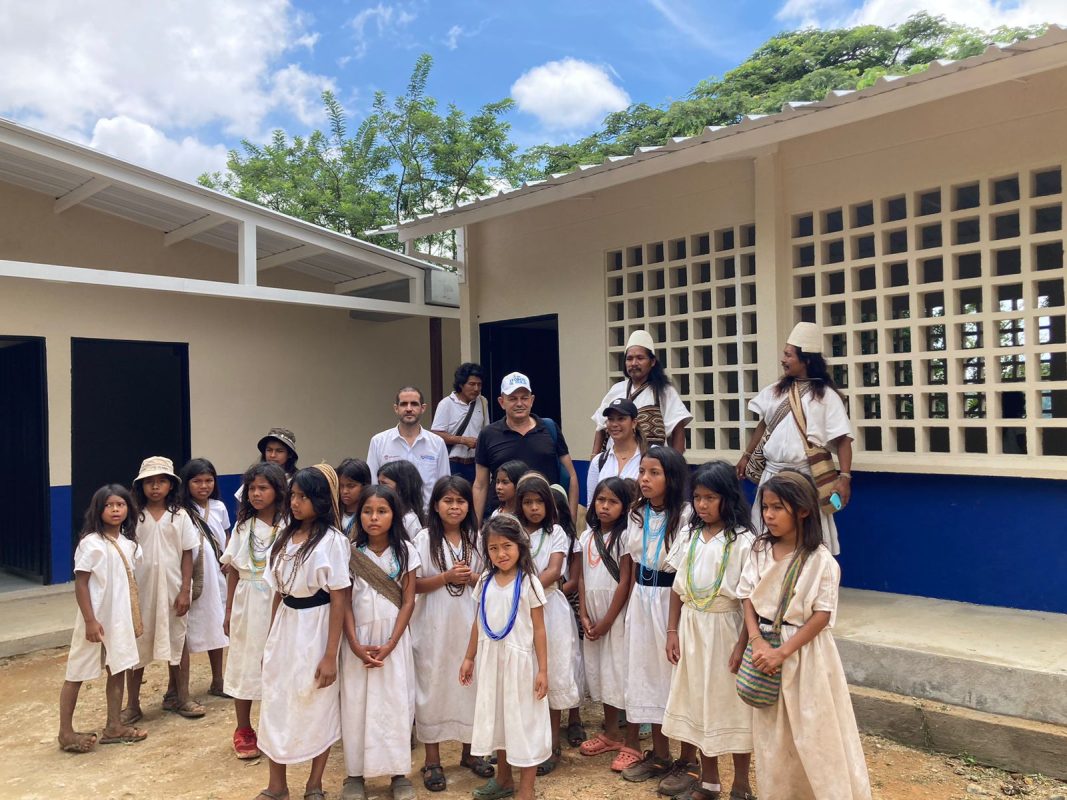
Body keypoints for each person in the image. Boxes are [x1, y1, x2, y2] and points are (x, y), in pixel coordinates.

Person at [738, 470, 872, 800]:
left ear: (802, 510)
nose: (768, 515)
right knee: (774, 740)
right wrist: (757, 641)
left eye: (777, 508)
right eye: (766, 507)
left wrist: (782, 653)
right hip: (765, 652)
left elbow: (822, 614)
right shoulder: (758, 550)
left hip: (805, 658)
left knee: (815, 735)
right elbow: (747, 596)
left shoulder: (820, 560)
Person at [663, 461, 756, 800]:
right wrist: (672, 631)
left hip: (726, 628)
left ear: (728, 498)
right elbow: (677, 587)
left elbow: (750, 599)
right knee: (698, 702)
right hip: (692, 627)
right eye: (698, 497)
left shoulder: (745, 541)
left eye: (710, 497)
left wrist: (744, 644)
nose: (702, 505)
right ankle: (709, 781)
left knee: (729, 705)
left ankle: (742, 785)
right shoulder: (690, 534)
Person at [257, 465, 351, 800]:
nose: (296, 503)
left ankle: (314, 784)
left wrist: (330, 654)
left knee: (315, 702)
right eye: (293, 495)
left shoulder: (333, 541)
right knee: (276, 702)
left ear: (321, 501)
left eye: (304, 497)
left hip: (317, 624)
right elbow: (275, 594)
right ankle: (277, 785)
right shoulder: (283, 536)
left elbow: (340, 598)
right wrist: (270, 640)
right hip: (286, 624)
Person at [618, 446, 701, 797]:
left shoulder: (685, 515)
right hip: (642, 597)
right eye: (642, 472)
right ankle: (660, 754)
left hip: (670, 600)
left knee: (675, 677)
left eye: (654, 473)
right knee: (646, 673)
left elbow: (682, 567)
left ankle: (689, 759)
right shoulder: (636, 513)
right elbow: (635, 561)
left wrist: (673, 623)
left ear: (671, 477)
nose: (645, 479)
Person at [736, 322, 854, 555]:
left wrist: (845, 477)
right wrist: (746, 456)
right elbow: (763, 426)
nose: (783, 359)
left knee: (807, 538)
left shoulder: (827, 397)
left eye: (788, 355)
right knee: (766, 537)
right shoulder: (774, 391)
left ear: (806, 359)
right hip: (771, 475)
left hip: (806, 479)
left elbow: (843, 440)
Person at [411, 476, 493, 792]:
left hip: (469, 624)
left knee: (470, 685)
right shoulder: (422, 539)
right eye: (448, 501)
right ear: (435, 505)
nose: (455, 507)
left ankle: (470, 753)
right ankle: (432, 760)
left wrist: (472, 578)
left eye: (460, 501)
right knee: (432, 686)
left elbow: (490, 581)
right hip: (432, 625)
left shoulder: (477, 537)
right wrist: (445, 577)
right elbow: (413, 584)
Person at [460, 514, 551, 800]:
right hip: (491, 663)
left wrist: (543, 670)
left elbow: (539, 629)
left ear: (521, 547)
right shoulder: (485, 580)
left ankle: (527, 789)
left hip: (520, 666)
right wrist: (469, 657)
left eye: (507, 546)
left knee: (523, 723)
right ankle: (503, 779)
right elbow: (478, 622)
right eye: (493, 548)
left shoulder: (529, 583)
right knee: (499, 718)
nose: (501, 553)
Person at [340, 485, 420, 800]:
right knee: (356, 704)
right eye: (368, 511)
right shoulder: (348, 552)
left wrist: (391, 643)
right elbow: (343, 602)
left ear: (394, 515)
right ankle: (354, 775)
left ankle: (399, 773)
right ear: (359, 515)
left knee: (396, 703)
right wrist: (355, 643)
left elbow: (409, 602)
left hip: (394, 640)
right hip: (357, 639)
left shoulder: (406, 551)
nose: (374, 518)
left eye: (382, 511)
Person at [59, 484, 146, 753]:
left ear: (128, 509)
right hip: (94, 619)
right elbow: (82, 583)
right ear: (99, 510)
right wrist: (89, 620)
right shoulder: (91, 543)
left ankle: (114, 726)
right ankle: (65, 732)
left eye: (120, 505)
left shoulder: (130, 545)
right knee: (77, 671)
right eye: (109, 505)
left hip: (119, 620)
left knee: (118, 668)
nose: (115, 510)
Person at [123, 456, 201, 724]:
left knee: (178, 641)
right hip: (141, 592)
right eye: (150, 482)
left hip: (172, 589)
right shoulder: (133, 516)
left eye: (161, 481)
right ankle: (132, 704)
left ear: (171, 485)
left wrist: (185, 590)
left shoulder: (179, 516)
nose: (155, 487)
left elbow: (188, 555)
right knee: (137, 645)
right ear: (141, 486)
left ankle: (183, 696)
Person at [515, 473, 581, 776]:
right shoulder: (512, 530)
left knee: (550, 675)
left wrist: (520, 591)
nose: (533, 508)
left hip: (548, 607)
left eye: (539, 501)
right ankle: (524, 743)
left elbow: (554, 571)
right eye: (527, 502)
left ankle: (552, 745)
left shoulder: (556, 532)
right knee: (524, 677)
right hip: (517, 612)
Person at [221, 462, 287, 760]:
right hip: (247, 601)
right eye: (252, 489)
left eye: (263, 488)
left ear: (278, 491)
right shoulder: (243, 527)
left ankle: (279, 727)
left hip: (280, 601)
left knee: (278, 664)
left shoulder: (288, 527)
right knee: (245, 661)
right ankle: (244, 728)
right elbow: (234, 569)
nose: (256, 494)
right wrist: (229, 608)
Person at [577, 477, 634, 761]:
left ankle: (629, 733)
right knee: (600, 673)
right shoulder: (586, 537)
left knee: (618, 672)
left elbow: (625, 582)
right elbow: (582, 579)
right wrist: (584, 614)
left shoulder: (625, 537)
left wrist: (608, 621)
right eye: (601, 500)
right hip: (594, 616)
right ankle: (610, 731)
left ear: (624, 507)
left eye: (613, 501)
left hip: (616, 615)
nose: (605, 507)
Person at [473, 372, 579, 523]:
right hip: (504, 521)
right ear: (501, 402)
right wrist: (476, 527)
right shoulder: (488, 434)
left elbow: (572, 476)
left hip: (546, 519)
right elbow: (480, 485)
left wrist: (571, 518)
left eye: (524, 398)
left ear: (532, 400)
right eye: (513, 399)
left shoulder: (549, 428)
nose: (519, 403)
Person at [591, 330, 692, 455]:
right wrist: (594, 460)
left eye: (640, 358)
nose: (634, 363)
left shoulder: (664, 391)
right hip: (616, 462)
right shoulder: (616, 390)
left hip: (652, 464)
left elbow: (678, 429)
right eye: (629, 359)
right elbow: (601, 428)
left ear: (652, 361)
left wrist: (676, 465)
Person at [179, 458, 229, 700]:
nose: (203, 486)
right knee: (184, 630)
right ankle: (177, 687)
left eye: (208, 480)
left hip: (217, 573)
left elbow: (225, 536)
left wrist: (228, 559)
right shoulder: (180, 511)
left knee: (216, 622)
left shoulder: (218, 507)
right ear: (187, 484)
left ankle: (218, 679)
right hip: (192, 574)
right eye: (197, 481)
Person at [368, 386, 451, 513]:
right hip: (390, 516)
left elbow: (444, 485)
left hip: (428, 517)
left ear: (423, 408)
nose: (409, 409)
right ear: (396, 408)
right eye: (403, 404)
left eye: (414, 404)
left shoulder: (437, 443)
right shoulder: (378, 442)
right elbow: (373, 484)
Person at [432, 363, 488, 483]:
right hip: (453, 463)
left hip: (476, 463)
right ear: (461, 384)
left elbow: (486, 430)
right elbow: (437, 434)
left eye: (479, 384)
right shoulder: (446, 403)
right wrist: (463, 440)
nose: (476, 389)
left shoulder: (482, 402)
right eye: (472, 384)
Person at [585, 398, 646, 503]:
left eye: (621, 419)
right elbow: (592, 504)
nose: (614, 424)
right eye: (610, 419)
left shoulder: (650, 456)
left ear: (634, 423)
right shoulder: (599, 461)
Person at [236, 427, 299, 502]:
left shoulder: (296, 481)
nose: (273, 455)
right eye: (269, 450)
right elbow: (243, 508)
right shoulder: (254, 476)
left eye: (279, 451)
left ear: (290, 454)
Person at [377, 459, 426, 540]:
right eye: (379, 483)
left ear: (402, 486)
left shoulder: (409, 520)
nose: (379, 488)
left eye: (384, 484)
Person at [337, 457, 372, 538]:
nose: (345, 491)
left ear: (365, 486)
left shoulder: (371, 516)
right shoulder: (333, 514)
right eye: (341, 486)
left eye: (351, 486)